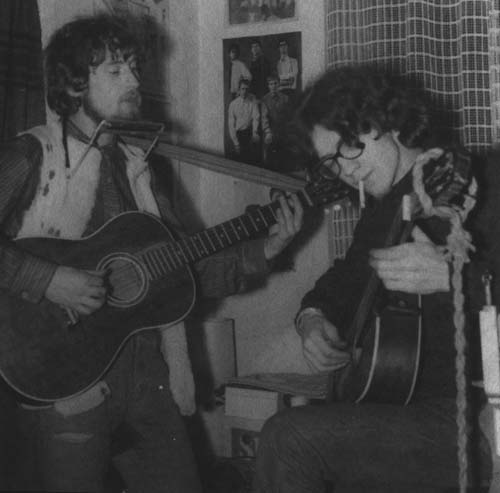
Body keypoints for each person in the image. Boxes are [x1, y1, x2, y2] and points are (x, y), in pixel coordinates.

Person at [0, 14, 303, 493]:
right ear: (75, 85)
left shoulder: (138, 166)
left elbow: (182, 267)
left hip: (148, 375)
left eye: (135, 68)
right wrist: (49, 279)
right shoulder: (32, 156)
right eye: (116, 70)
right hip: (63, 378)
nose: (135, 81)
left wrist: (267, 248)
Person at [254, 65, 491, 492]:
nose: (344, 170)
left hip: (477, 416)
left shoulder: (483, 182)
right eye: (330, 162)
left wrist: (454, 276)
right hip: (401, 407)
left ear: (390, 121)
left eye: (349, 146)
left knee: (288, 439)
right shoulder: (381, 212)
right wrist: (312, 318)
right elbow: (342, 282)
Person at [228, 78, 262, 165]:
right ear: (239, 90)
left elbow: (256, 117)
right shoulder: (233, 104)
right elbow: (231, 124)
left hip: (250, 133)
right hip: (239, 135)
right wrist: (236, 143)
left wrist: (255, 132)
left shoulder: (252, 102)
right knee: (240, 161)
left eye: (247, 89)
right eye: (242, 89)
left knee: (252, 161)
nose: (244, 91)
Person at [261, 74, 289, 169]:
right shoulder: (265, 99)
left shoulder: (285, 98)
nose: (273, 86)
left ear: (279, 84)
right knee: (268, 156)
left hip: (282, 130)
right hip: (270, 130)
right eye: (271, 84)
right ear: (268, 86)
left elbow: (288, 116)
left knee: (282, 155)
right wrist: (268, 131)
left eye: (275, 83)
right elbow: (264, 117)